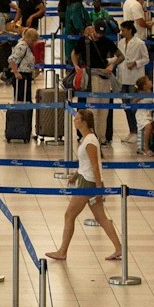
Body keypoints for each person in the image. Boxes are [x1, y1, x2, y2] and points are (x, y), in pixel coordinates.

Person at [45, 109, 123, 263]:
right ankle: (118, 247)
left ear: (84, 123)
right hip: (87, 180)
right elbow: (85, 164)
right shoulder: (87, 139)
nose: (74, 121)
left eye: (77, 119)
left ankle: (62, 251)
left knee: (69, 215)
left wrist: (99, 188)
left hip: (88, 183)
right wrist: (75, 175)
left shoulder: (90, 141)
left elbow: (95, 166)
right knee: (101, 218)